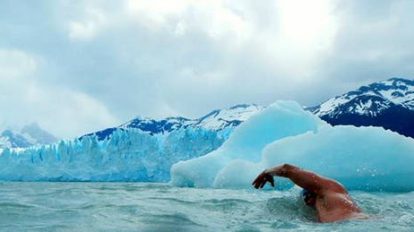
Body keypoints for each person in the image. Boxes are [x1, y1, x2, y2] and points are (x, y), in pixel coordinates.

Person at [252, 163, 367, 223]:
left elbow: (287, 168)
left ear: (309, 199)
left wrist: (266, 172)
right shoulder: (338, 191)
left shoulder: (325, 190)